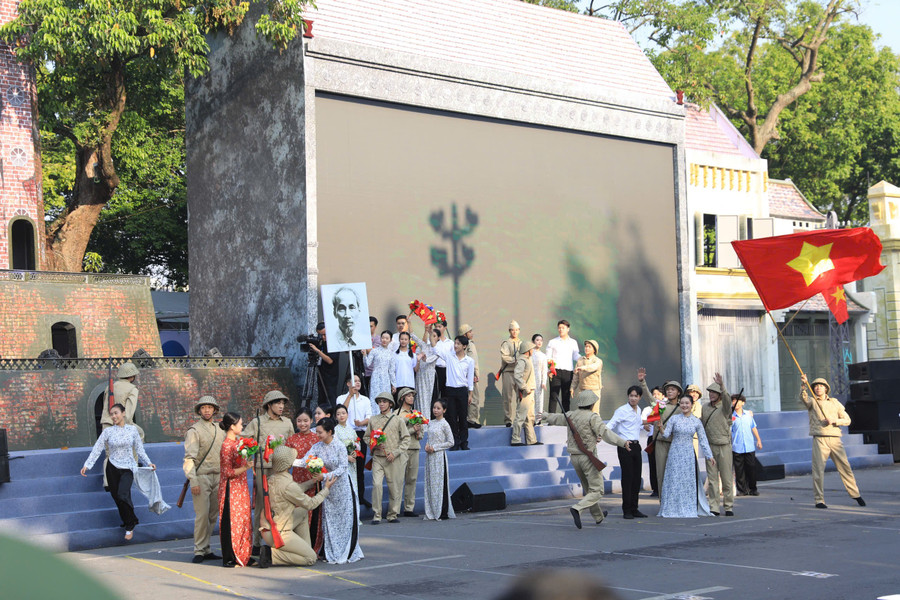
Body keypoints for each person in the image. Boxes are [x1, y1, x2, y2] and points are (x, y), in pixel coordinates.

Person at [541, 391, 631, 528]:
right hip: (588, 457)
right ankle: (578, 508)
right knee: (597, 490)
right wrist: (622, 443)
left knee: (589, 489)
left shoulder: (571, 414)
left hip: (574, 458)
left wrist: (546, 416)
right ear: (592, 404)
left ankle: (598, 516)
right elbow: (605, 433)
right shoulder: (592, 417)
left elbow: (557, 418)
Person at [81, 403, 156, 541]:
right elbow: (97, 449)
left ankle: (131, 522)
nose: (114, 416)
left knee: (123, 494)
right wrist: (87, 465)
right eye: (111, 414)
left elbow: (140, 450)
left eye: (116, 413)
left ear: (123, 413)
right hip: (112, 468)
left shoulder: (132, 430)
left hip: (128, 467)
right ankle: (128, 521)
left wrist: (148, 462)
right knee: (117, 498)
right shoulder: (108, 432)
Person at [296, 416, 364, 563]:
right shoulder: (317, 446)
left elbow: (343, 468)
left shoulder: (339, 446)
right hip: (328, 490)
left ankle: (347, 551)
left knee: (344, 521)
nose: (318, 435)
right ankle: (331, 552)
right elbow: (304, 460)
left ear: (329, 432)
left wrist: (324, 476)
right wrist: (284, 460)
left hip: (342, 488)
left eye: (320, 432)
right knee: (330, 522)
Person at [799, 374, 865, 509]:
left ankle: (855, 494)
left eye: (821, 386)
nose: (818, 388)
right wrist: (804, 385)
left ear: (826, 389)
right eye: (816, 386)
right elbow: (803, 399)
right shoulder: (812, 401)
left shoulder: (834, 402)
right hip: (820, 438)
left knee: (845, 468)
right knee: (818, 470)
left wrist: (834, 421)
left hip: (835, 438)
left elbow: (847, 420)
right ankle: (819, 500)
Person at [261, 446, 334, 567]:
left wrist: (312, 481)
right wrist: (326, 489)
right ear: (289, 465)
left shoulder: (272, 479)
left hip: (269, 527)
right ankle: (271, 555)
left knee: (302, 511)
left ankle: (304, 548)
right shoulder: (289, 485)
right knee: (310, 558)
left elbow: (296, 490)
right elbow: (311, 504)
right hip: (279, 533)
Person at [242, 390, 294, 554]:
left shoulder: (287, 423)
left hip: (282, 469)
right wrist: (255, 449)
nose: (281, 406)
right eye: (277, 403)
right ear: (269, 405)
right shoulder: (257, 422)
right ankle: (257, 542)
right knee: (262, 505)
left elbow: (292, 445)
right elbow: (243, 440)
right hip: (262, 468)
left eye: (283, 403)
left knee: (281, 504)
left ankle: (281, 539)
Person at [658, 394, 715, 518]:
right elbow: (666, 435)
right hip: (675, 452)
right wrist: (661, 428)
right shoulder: (674, 419)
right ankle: (672, 508)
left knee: (687, 482)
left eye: (687, 403)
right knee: (674, 480)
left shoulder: (696, 421)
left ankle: (688, 507)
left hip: (688, 454)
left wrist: (709, 455)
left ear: (691, 405)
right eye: (682, 403)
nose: (684, 405)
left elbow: (703, 440)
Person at [182, 395, 223, 563]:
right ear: (199, 410)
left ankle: (206, 548)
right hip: (202, 476)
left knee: (213, 515)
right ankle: (199, 549)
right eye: (203, 407)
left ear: (214, 410)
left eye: (210, 407)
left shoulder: (220, 429)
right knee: (202, 515)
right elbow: (189, 458)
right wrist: (193, 481)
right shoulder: (194, 431)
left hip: (218, 476)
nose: (207, 410)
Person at [364, 392, 411, 523]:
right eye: (379, 402)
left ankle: (392, 514)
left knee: (394, 486)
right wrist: (374, 445)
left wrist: (396, 453)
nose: (381, 404)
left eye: (384, 401)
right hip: (378, 457)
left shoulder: (398, 420)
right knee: (377, 484)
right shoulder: (373, 420)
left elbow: (406, 439)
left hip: (393, 458)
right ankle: (376, 515)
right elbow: (366, 437)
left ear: (390, 403)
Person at [285, 407, 323, 554]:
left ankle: (315, 546)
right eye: (299, 421)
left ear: (312, 421)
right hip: (297, 481)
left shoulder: (316, 438)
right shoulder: (291, 439)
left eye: (306, 421)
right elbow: (286, 461)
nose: (303, 424)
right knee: (299, 513)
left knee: (315, 513)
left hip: (315, 479)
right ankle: (298, 547)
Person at [218, 411, 253, 567]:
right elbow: (227, 472)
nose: (242, 426)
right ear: (232, 426)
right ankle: (230, 556)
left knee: (243, 520)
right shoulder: (226, 446)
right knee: (230, 522)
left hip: (241, 487)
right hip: (230, 489)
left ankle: (243, 553)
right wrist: (246, 467)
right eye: (240, 424)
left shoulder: (239, 443)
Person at [639, 369, 682, 494]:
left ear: (678, 392)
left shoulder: (682, 407)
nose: (669, 391)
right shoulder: (660, 406)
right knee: (661, 472)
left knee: (676, 474)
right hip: (660, 443)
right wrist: (642, 382)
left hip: (676, 444)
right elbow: (648, 397)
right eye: (668, 389)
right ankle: (663, 501)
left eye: (672, 389)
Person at [606, 386, 646, 519]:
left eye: (636, 396)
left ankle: (635, 508)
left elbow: (636, 424)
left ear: (640, 397)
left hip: (636, 446)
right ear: (628, 396)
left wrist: (644, 425)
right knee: (628, 478)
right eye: (631, 395)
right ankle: (627, 510)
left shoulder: (638, 410)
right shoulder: (621, 410)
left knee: (636, 478)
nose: (633, 398)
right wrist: (603, 436)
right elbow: (610, 425)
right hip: (625, 445)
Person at [433, 334, 476, 451]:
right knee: (451, 417)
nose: (455, 346)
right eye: (455, 343)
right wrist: (431, 333)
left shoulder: (469, 361)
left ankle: (464, 442)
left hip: (462, 390)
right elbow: (435, 349)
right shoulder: (449, 356)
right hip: (450, 390)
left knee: (463, 417)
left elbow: (470, 378)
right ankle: (454, 442)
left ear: (464, 346)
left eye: (458, 344)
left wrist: (470, 394)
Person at [702, 373, 735, 517]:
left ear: (720, 394)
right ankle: (714, 506)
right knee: (712, 479)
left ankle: (728, 506)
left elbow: (728, 401)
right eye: (710, 392)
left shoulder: (725, 407)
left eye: (715, 392)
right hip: (710, 446)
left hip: (724, 445)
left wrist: (722, 386)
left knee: (727, 478)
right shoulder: (705, 407)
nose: (711, 395)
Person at [338, 374, 372, 508]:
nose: (357, 383)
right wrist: (350, 396)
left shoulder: (365, 399)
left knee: (359, 466)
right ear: (348, 383)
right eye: (354, 381)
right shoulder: (341, 398)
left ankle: (361, 496)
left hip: (360, 433)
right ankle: (348, 496)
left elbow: (369, 417)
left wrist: (362, 422)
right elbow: (340, 411)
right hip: (345, 433)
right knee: (346, 464)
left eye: (359, 381)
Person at [424, 398, 455, 520]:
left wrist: (435, 447)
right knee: (431, 482)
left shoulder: (445, 424)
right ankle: (431, 509)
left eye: (438, 408)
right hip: (429, 456)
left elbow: (451, 442)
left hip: (439, 456)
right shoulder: (430, 423)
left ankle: (442, 511)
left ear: (444, 410)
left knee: (440, 483)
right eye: (434, 408)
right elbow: (429, 438)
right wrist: (427, 446)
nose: (435, 410)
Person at [396, 387, 425, 517]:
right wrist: (413, 429)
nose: (411, 398)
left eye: (412, 396)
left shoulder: (417, 413)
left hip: (415, 447)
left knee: (412, 478)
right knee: (398, 478)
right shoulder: (396, 414)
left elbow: (421, 435)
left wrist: (419, 432)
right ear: (402, 398)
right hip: (402, 449)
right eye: (408, 396)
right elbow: (397, 434)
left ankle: (409, 508)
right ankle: (395, 509)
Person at [333, 404, 362, 516]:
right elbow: (335, 449)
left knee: (354, 488)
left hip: (352, 464)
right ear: (335, 417)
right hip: (342, 464)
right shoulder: (335, 430)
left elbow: (357, 442)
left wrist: (355, 452)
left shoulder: (351, 430)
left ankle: (355, 516)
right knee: (344, 490)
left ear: (347, 415)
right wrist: (346, 457)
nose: (341, 416)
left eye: (343, 413)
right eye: (338, 414)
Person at [545, 320, 580, 413]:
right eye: (559, 328)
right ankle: (551, 420)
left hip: (568, 372)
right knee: (553, 396)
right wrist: (550, 370)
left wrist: (584, 359)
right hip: (555, 372)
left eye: (563, 328)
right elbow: (548, 358)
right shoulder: (552, 342)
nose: (561, 330)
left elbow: (576, 356)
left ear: (568, 329)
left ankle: (565, 420)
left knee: (566, 397)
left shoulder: (573, 342)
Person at [731, 393, 762, 497]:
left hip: (749, 446)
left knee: (751, 468)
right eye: (734, 401)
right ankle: (742, 490)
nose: (736, 403)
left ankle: (753, 488)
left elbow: (753, 427)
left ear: (743, 403)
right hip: (737, 447)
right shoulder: (730, 416)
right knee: (739, 470)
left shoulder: (748, 415)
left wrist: (758, 440)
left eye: (738, 401)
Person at [511, 340, 538, 446]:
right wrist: (524, 387)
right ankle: (515, 439)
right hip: (526, 392)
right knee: (521, 416)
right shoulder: (522, 360)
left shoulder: (527, 359)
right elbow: (517, 375)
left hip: (530, 391)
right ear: (527, 350)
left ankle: (532, 439)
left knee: (530, 417)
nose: (533, 350)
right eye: (531, 349)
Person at [640, 386, 665, 497]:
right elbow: (642, 422)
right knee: (653, 464)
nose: (655, 396)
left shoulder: (665, 406)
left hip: (664, 438)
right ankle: (655, 488)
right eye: (653, 394)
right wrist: (645, 423)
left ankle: (664, 487)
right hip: (652, 438)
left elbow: (651, 420)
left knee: (663, 463)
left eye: (658, 394)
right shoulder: (647, 409)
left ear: (663, 396)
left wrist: (647, 421)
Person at [309, 321, 340, 406]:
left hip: (331, 376)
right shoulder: (320, 342)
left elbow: (330, 360)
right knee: (321, 397)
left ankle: (332, 416)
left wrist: (317, 350)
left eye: (325, 334)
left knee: (330, 397)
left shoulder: (334, 343)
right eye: (320, 335)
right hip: (321, 373)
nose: (323, 337)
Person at [498, 321, 522, 427]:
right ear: (509, 331)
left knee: (521, 397)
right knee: (507, 397)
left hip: (519, 373)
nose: (515, 332)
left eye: (517, 330)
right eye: (513, 330)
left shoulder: (522, 343)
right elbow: (505, 357)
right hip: (508, 372)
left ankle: (519, 418)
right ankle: (508, 419)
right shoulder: (506, 343)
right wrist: (515, 359)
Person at [460, 324, 484, 430]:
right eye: (470, 332)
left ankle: (470, 418)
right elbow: (470, 360)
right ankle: (471, 419)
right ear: (465, 334)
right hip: (471, 374)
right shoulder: (467, 344)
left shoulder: (468, 344)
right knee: (473, 397)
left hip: (471, 373)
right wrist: (474, 374)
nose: (472, 333)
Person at [364, 330, 394, 412]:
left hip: (386, 378)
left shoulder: (391, 353)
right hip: (375, 377)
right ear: (380, 339)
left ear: (390, 340)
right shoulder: (374, 351)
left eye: (387, 338)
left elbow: (391, 370)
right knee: (375, 397)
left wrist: (393, 384)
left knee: (386, 397)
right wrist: (364, 355)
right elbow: (367, 364)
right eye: (383, 338)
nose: (384, 340)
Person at [571, 340, 602, 413]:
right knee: (582, 412)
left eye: (589, 347)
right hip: (582, 390)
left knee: (594, 412)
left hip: (594, 390)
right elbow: (576, 376)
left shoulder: (597, 361)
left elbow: (593, 367)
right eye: (586, 346)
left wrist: (583, 368)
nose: (587, 348)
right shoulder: (580, 360)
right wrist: (572, 387)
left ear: (594, 350)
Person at [415, 329, 440, 416]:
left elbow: (428, 360)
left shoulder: (438, 350)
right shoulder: (424, 346)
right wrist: (409, 323)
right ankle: (417, 420)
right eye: (431, 336)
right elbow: (413, 336)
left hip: (429, 376)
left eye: (434, 336)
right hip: (420, 374)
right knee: (418, 398)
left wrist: (424, 358)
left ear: (438, 338)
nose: (432, 338)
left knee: (426, 400)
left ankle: (425, 422)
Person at [330, 286, 363, 350]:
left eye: (352, 307)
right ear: (335, 312)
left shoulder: (364, 342)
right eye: (342, 308)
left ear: (359, 310)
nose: (347, 315)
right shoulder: (331, 343)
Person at [390, 331, 418, 396]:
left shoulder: (413, 355)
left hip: (409, 383)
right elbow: (392, 371)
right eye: (402, 339)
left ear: (408, 341)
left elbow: (416, 369)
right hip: (398, 383)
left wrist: (418, 361)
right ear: (399, 340)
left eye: (405, 339)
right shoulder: (394, 354)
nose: (403, 341)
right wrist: (393, 384)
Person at [531, 334, 549, 425]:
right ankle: (531, 419)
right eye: (537, 340)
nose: (539, 342)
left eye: (541, 340)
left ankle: (538, 420)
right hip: (530, 379)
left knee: (539, 400)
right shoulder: (529, 353)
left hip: (539, 380)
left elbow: (544, 370)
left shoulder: (543, 355)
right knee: (531, 399)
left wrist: (543, 382)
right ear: (533, 341)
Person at [364, 316, 380, 394]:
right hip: (361, 370)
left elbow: (372, 352)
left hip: (372, 371)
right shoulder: (362, 337)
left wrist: (362, 343)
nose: (368, 328)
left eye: (371, 326)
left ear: (375, 327)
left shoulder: (378, 339)